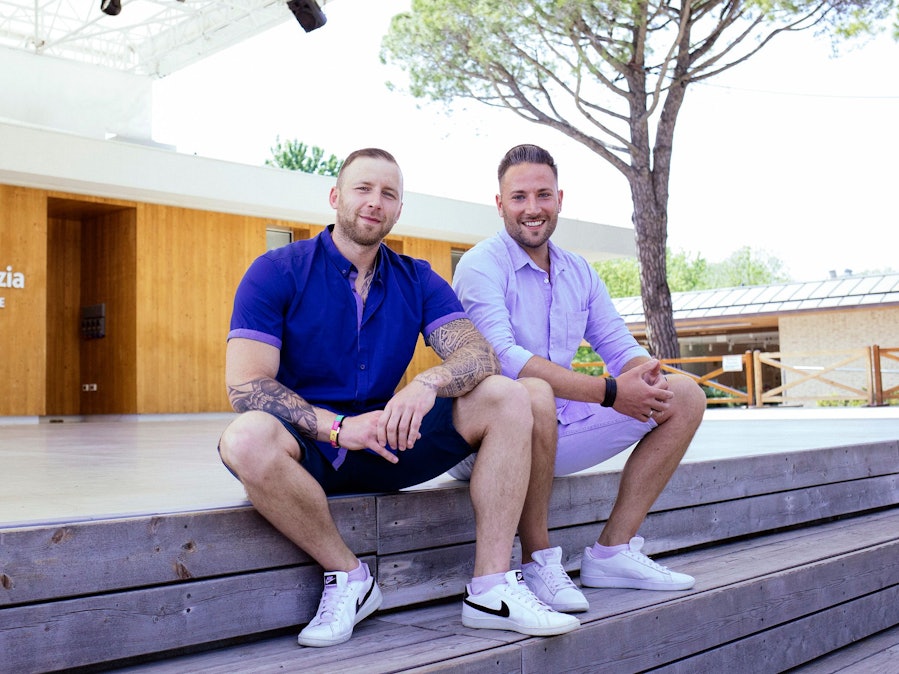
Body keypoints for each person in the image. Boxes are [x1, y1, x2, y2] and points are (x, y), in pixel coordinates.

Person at [217, 148, 579, 648]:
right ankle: (349, 577)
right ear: (336, 197)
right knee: (245, 438)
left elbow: (479, 357)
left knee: (506, 395)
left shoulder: (417, 277)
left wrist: (424, 385)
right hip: (311, 449)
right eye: (363, 189)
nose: (375, 202)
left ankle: (492, 587)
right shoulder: (277, 270)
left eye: (388, 194)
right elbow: (246, 385)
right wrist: (339, 428)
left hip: (392, 441)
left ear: (398, 208)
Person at [450, 144, 706, 613]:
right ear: (500, 202)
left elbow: (618, 346)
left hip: (560, 426)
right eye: (519, 196)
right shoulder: (481, 264)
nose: (532, 209)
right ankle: (537, 561)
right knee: (534, 393)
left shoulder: (578, 271)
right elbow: (504, 359)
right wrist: (610, 392)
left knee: (684, 395)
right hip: (489, 439)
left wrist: (642, 376)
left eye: (543, 195)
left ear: (560, 199)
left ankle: (612, 552)